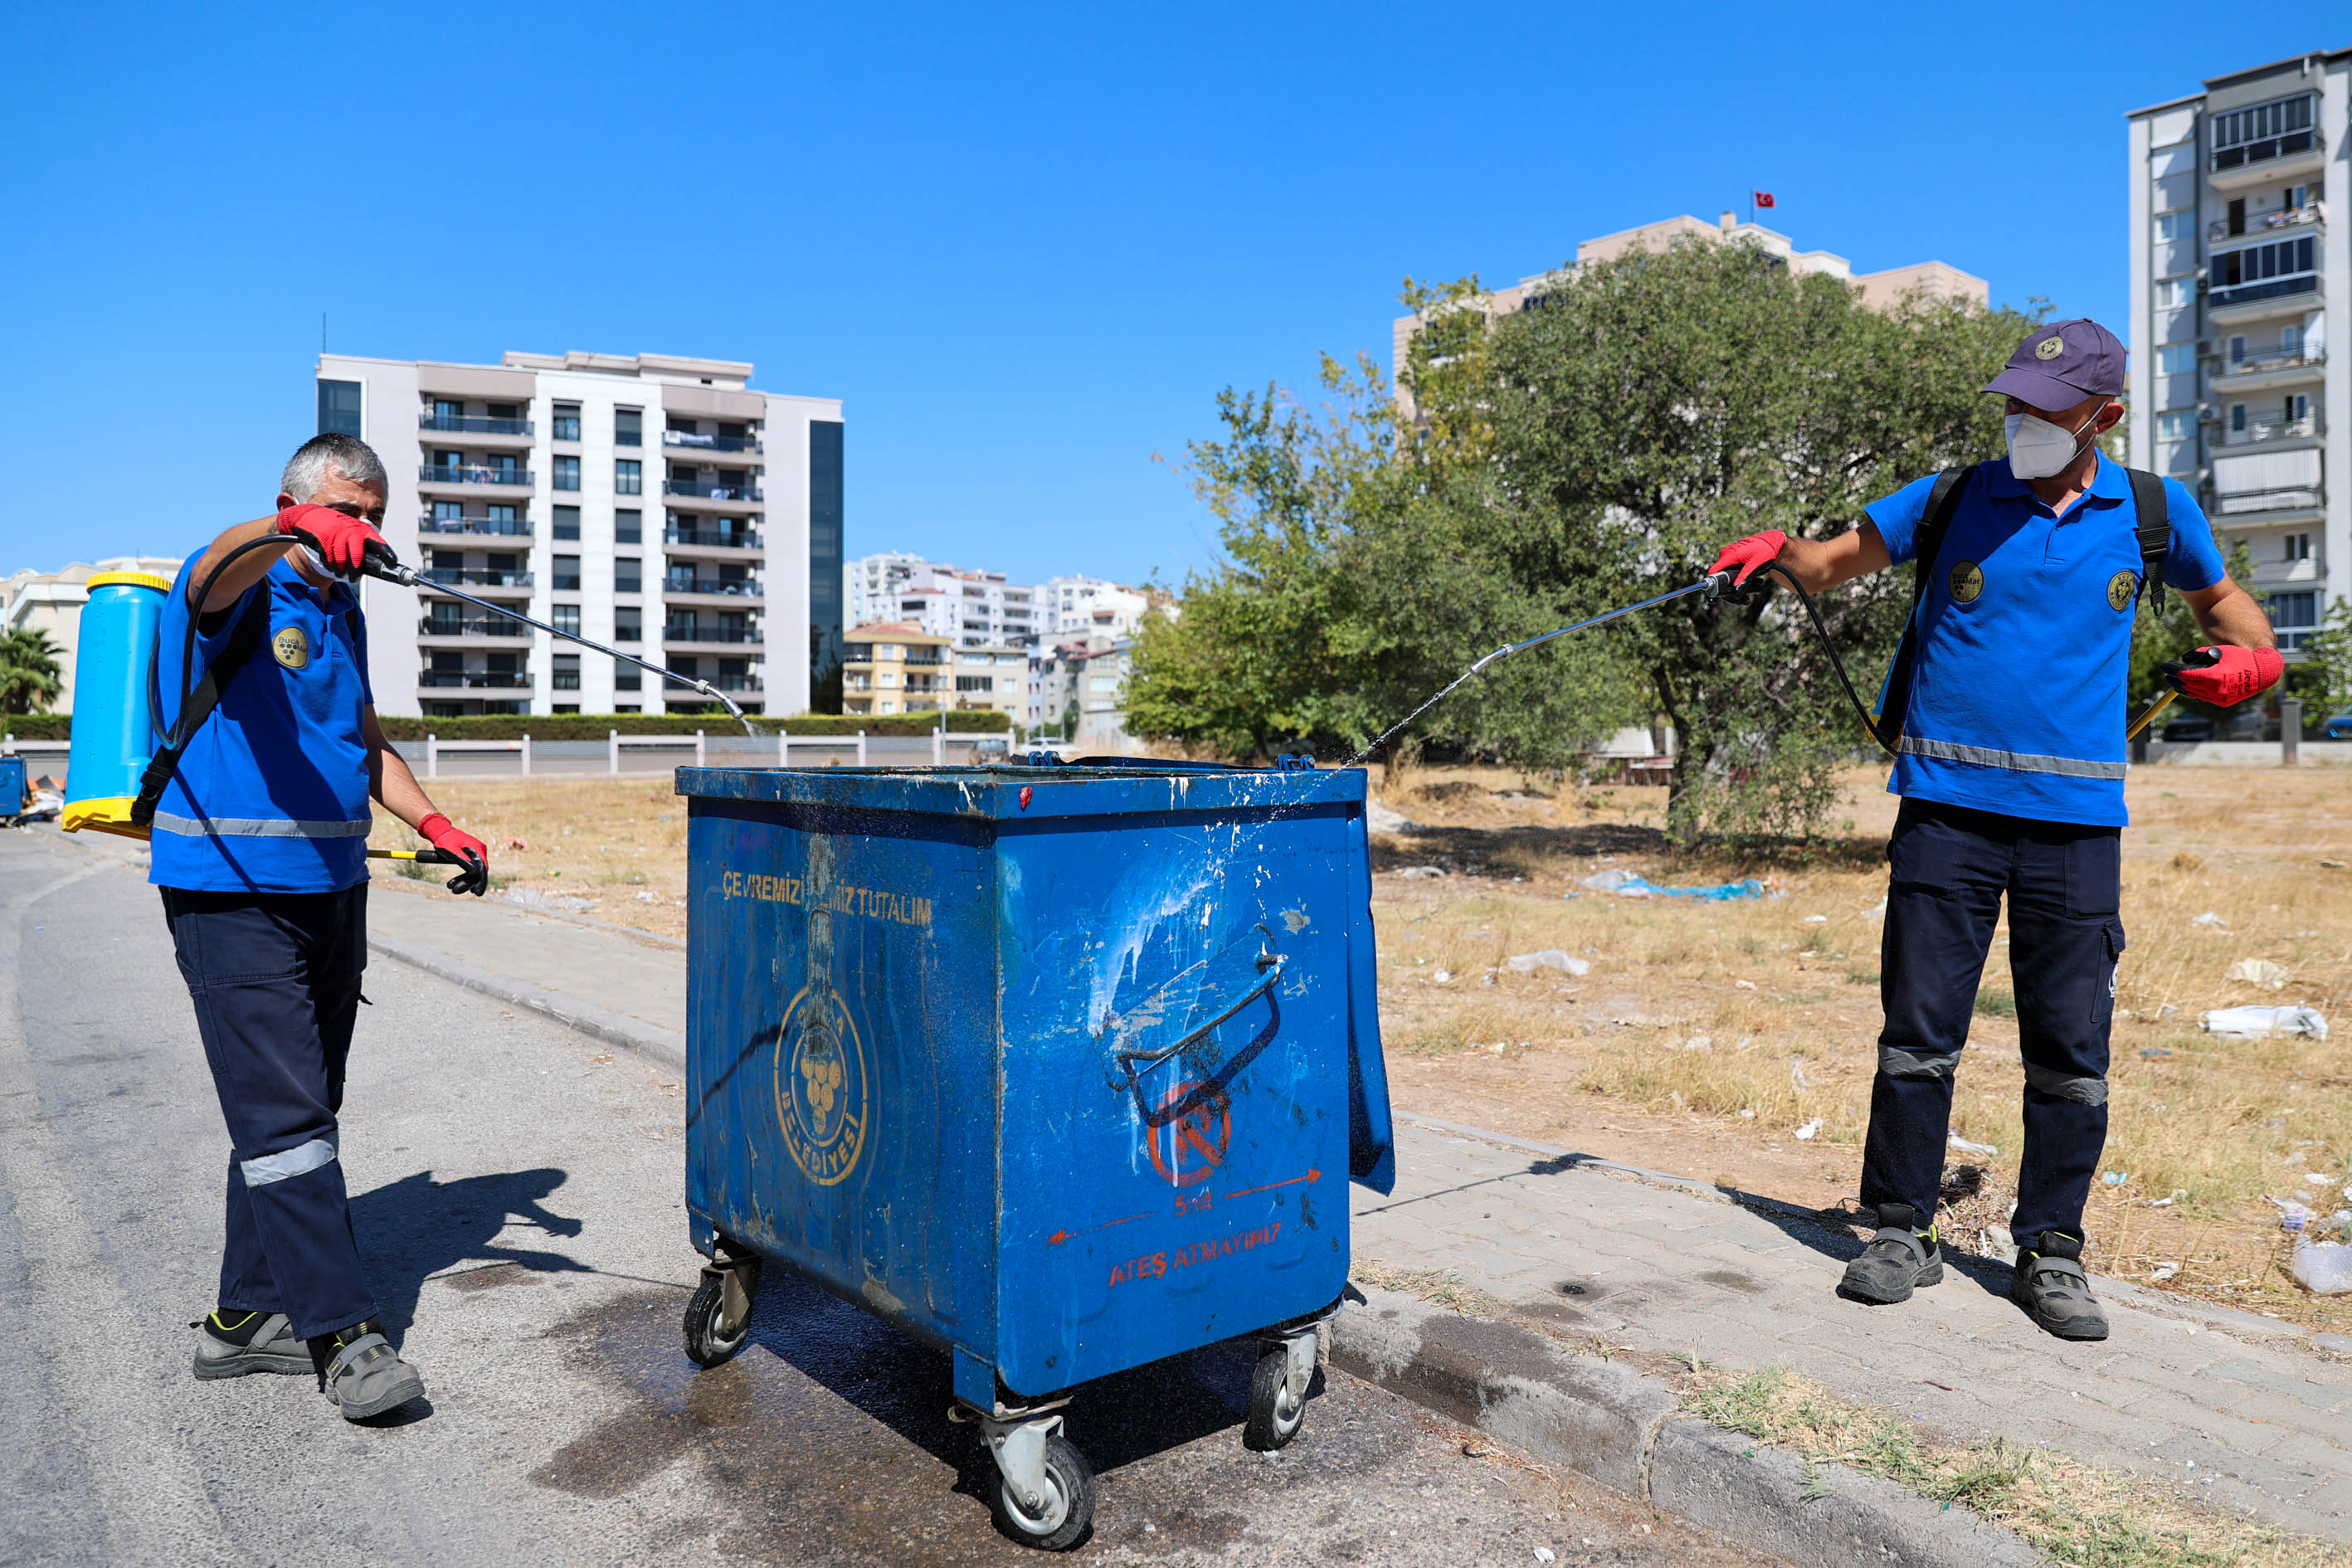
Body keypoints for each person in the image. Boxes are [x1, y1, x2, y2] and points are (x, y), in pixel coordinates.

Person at [1707, 319, 2278, 1342]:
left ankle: (2051, 1250)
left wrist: (2251, 666)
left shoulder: (2153, 512)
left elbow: (2234, 614)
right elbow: (1830, 563)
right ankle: (1898, 1231)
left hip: (2075, 830)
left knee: (2071, 1051)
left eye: (2044, 410)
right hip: (1945, 817)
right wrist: (1775, 554)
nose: (2021, 423)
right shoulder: (1953, 497)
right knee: (1918, 1035)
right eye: (2012, 403)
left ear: (2102, 417)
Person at [159, 432, 489, 1419]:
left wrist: (433, 821)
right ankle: (344, 1337)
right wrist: (287, 528)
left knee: (295, 1111)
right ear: (295, 504)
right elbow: (213, 572)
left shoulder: (341, 608)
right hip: (232, 890)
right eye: (349, 511)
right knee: (289, 1119)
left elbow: (364, 741)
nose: (364, 532)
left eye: (376, 517)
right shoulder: (244, 582)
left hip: (333, 888)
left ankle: (244, 1319)